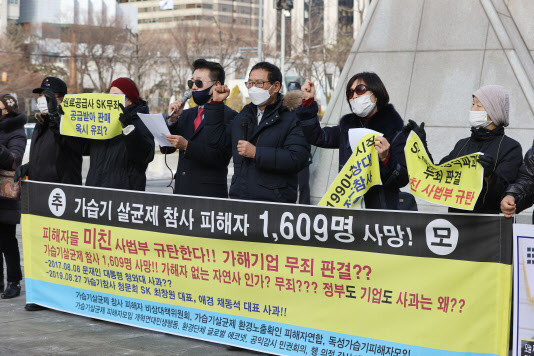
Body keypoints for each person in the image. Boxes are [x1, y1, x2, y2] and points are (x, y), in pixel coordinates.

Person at [295, 73, 408, 210]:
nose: (354, 96)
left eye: (360, 89)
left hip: (380, 214)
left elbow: (402, 179)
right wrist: (308, 102)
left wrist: (386, 159)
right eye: (350, 92)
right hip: (349, 210)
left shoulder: (394, 133)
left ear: (376, 93)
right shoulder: (346, 130)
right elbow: (317, 136)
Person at [406, 85, 522, 214]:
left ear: (495, 110)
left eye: (479, 106)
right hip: (456, 222)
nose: (472, 109)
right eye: (472, 104)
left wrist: (489, 177)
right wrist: (419, 144)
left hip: (488, 226)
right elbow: (436, 173)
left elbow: (506, 194)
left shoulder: (510, 147)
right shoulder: (462, 144)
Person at [204, 61, 310, 203]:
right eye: (250, 83)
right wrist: (216, 104)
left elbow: (298, 158)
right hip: (240, 198)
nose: (253, 88)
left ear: (276, 86)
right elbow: (216, 142)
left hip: (274, 203)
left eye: (259, 83)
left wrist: (256, 153)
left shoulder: (292, 117)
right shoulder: (244, 115)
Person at [163, 59, 236, 198]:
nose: (194, 87)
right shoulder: (186, 114)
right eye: (191, 83)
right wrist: (172, 121)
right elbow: (166, 148)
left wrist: (187, 146)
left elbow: (221, 158)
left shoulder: (230, 116)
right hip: (182, 191)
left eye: (199, 83)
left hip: (209, 195)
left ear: (217, 85)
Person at [84, 78, 154, 191]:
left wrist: (129, 128)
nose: (111, 100)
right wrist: (62, 121)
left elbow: (146, 156)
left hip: (124, 194)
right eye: (109, 96)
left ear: (129, 100)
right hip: (95, 190)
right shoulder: (102, 120)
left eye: (116, 96)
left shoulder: (143, 120)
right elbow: (83, 148)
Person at [15, 77, 82, 185]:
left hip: (61, 191)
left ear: (62, 98)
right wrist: (29, 167)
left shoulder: (71, 120)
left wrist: (54, 115)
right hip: (39, 189)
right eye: (40, 95)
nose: (42, 99)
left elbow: (71, 146)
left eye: (47, 95)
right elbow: (47, 157)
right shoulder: (41, 122)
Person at [0, 94, 27, 299]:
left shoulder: (16, 131)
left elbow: (14, 161)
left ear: (7, 110)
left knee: (7, 240)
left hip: (4, 194)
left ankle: (14, 282)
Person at [285, 82, 312, 204]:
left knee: (301, 186)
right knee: (302, 186)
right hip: (294, 154)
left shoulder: (304, 110)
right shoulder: (284, 111)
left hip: (296, 155)